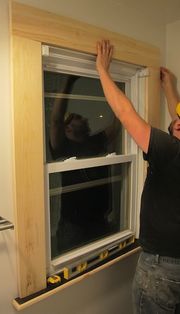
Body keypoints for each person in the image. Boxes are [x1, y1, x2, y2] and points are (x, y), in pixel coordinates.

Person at [96, 39, 180, 314]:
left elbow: (124, 111)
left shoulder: (170, 151)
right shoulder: (173, 149)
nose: (176, 120)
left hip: (159, 268)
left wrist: (102, 69)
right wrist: (170, 88)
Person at [49, 74, 121, 256]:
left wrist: (117, 86)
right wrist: (68, 82)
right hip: (73, 224)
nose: (84, 118)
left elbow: (117, 125)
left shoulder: (95, 141)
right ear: (68, 128)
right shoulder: (62, 147)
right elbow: (56, 120)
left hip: (100, 220)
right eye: (77, 117)